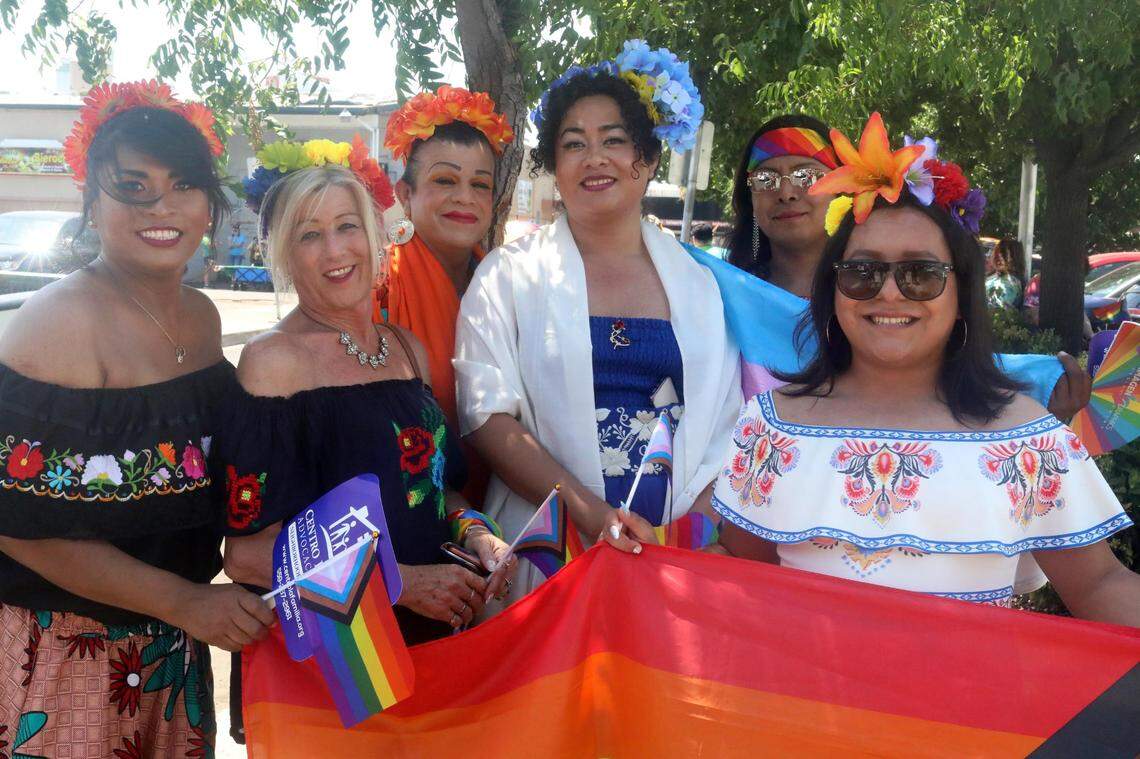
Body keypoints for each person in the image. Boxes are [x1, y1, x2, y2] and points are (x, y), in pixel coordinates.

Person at [606, 116, 1140, 626]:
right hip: (802, 714)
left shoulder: (1027, 439)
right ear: (833, 291)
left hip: (964, 717)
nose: (888, 291)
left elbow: (1099, 586)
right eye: (863, 272)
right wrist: (659, 562)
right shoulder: (772, 428)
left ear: (962, 293)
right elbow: (743, 568)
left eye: (920, 273)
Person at [0, 81, 274, 757]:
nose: (163, 206)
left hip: (172, 650)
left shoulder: (204, 318)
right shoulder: (58, 324)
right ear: (90, 201)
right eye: (133, 186)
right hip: (66, 655)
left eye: (184, 184)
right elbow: (17, 525)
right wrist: (183, 600)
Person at [223, 143, 517, 718]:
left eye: (347, 226)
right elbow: (250, 554)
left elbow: (437, 491)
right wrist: (402, 584)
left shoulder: (407, 349)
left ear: (375, 236)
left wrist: (482, 536)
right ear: (283, 252)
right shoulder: (271, 363)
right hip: (331, 666)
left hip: (429, 646)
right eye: (310, 235)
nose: (335, 250)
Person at [455, 41, 741, 600]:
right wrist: (591, 515)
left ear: (650, 159)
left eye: (615, 140)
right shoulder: (508, 275)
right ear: (554, 166)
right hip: (551, 544)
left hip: (672, 552)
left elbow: (727, 424)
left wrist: (683, 534)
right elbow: (486, 415)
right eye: (574, 144)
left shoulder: (700, 284)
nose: (595, 158)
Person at [716, 112, 1090, 420]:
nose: (786, 191)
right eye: (766, 178)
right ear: (748, 197)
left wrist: (1041, 386)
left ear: (845, 189)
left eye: (807, 175)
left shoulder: (881, 304)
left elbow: (947, 372)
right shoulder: (715, 298)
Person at [375, 86, 514, 504]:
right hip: (403, 516)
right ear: (404, 194)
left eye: (480, 184)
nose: (464, 197)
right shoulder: (376, 283)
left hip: (503, 508)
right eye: (444, 180)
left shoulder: (508, 286)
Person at [985, 237, 1025, 311]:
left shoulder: (1012, 283)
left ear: (1014, 257)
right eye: (997, 252)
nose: (999, 256)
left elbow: (998, 309)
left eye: (1004, 253)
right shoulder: (995, 276)